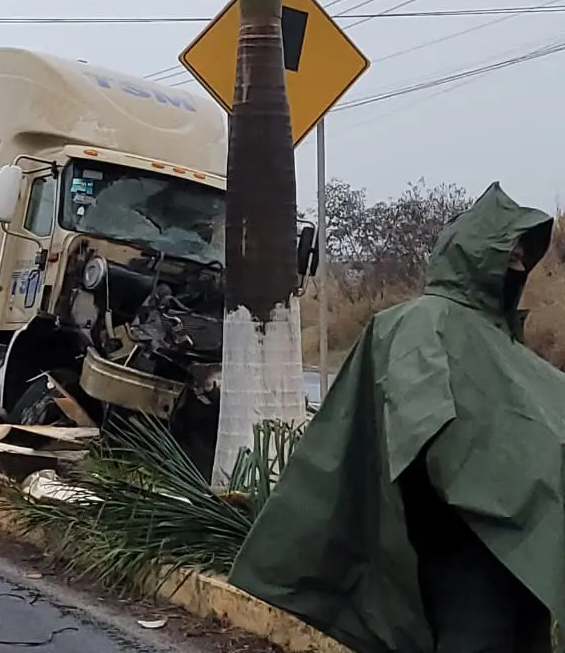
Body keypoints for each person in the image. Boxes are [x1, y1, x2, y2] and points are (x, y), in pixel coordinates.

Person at [227, 182, 563, 653]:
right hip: (459, 550)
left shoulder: (502, 342)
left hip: (512, 562)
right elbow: (423, 429)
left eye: (524, 259)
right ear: (473, 254)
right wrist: (513, 492)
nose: (519, 268)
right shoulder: (422, 323)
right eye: (509, 255)